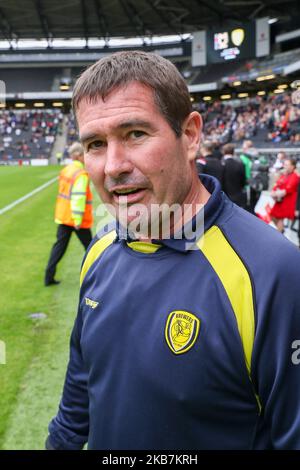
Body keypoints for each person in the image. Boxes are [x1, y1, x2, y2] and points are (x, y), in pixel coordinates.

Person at [46, 51, 300, 450]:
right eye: (95, 143)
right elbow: (78, 400)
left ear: (191, 135)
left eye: (135, 134)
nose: (113, 166)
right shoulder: (99, 252)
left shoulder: (274, 272)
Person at [44, 142, 93, 286]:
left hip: (64, 216)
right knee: (91, 248)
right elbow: (78, 197)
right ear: (78, 156)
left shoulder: (66, 170)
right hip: (77, 219)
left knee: (59, 248)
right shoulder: (80, 174)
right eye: (83, 154)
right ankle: (97, 277)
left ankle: (48, 277)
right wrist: (77, 219)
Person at [270, 158, 299, 233]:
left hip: (287, 201)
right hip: (279, 200)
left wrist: (275, 193)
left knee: (280, 218)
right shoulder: (284, 175)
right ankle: (281, 231)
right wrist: (273, 192)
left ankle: (279, 234)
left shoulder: (295, 176)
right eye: (284, 164)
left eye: (286, 164)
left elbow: (288, 190)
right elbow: (277, 185)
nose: (284, 166)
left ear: (292, 166)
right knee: (272, 215)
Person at [222, 143, 247, 208]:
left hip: (225, 196)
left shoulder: (221, 164)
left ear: (224, 152)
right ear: (233, 152)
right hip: (238, 195)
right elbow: (243, 181)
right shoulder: (240, 164)